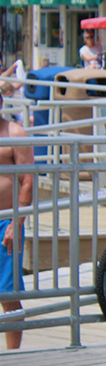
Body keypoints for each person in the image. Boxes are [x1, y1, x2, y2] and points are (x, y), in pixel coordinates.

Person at [0, 91, 32, 350]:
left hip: (5, 223)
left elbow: (28, 181)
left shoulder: (14, 133)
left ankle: (13, 355)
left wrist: (15, 222)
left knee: (7, 294)